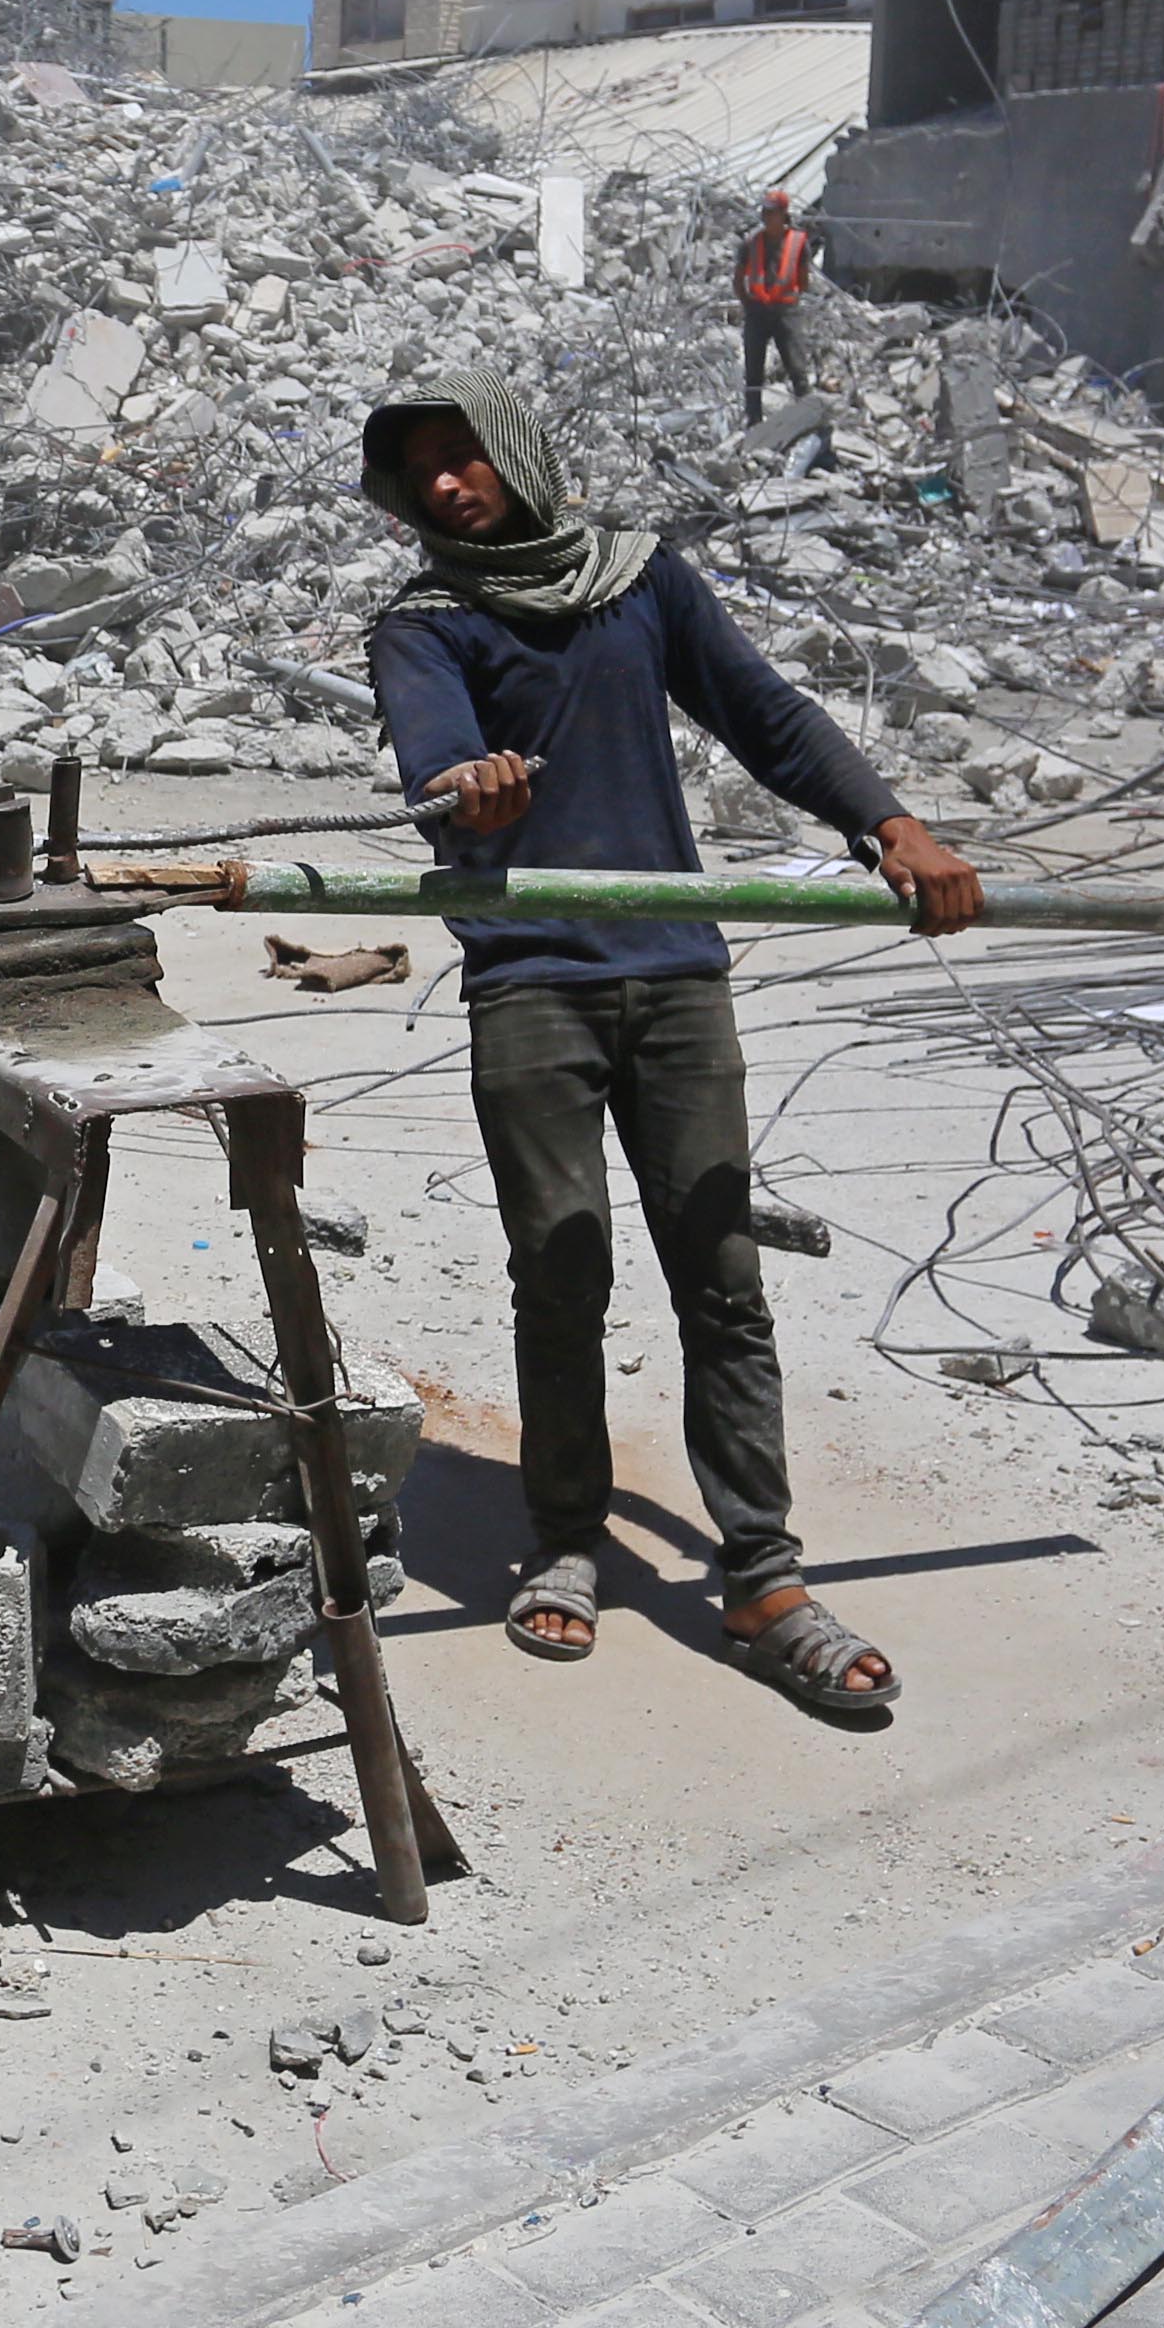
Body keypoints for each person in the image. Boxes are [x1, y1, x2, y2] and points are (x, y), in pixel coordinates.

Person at [359, 367, 979, 1723]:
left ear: (518, 448)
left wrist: (892, 825)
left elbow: (766, 718)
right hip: (531, 984)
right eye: (425, 473)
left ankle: (760, 1574)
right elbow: (435, 764)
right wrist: (468, 791)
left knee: (722, 1279)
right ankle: (569, 1535)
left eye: (468, 454)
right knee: (562, 1266)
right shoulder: (424, 623)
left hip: (676, 977)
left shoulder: (641, 580)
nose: (451, 485)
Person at [737, 190, 820, 423]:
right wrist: (749, 303)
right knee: (753, 372)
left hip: (786, 312)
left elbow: (803, 280)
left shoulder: (797, 244)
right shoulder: (751, 243)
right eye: (764, 211)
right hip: (757, 311)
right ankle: (753, 420)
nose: (765, 216)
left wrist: (789, 299)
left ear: (783, 214)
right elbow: (738, 279)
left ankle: (807, 419)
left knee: (797, 368)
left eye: (771, 212)